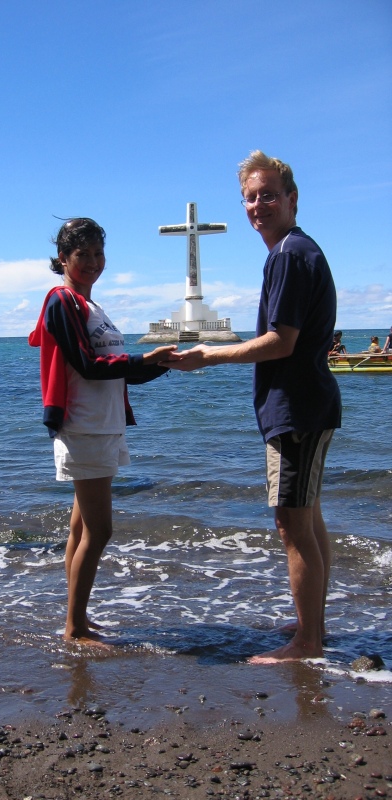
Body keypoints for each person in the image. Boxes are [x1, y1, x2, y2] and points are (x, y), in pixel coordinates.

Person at [162, 151, 342, 663]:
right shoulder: (293, 251)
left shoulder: (289, 253)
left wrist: (208, 357)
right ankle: (314, 623)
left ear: (291, 199)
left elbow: (281, 342)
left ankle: (306, 643)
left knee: (292, 523)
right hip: (305, 404)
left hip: (298, 408)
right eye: (249, 196)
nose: (257, 204)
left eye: (267, 194)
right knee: (308, 517)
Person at [29, 218, 175, 646]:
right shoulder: (62, 300)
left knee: (80, 530)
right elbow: (87, 367)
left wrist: (163, 364)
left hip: (105, 426)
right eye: (82, 255)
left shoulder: (95, 309)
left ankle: (78, 619)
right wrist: (145, 359)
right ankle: (74, 628)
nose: (92, 262)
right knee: (100, 531)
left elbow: (116, 375)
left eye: (98, 253)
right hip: (84, 427)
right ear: (63, 259)